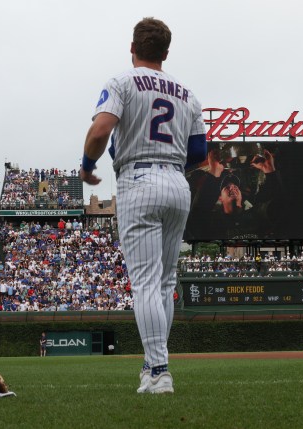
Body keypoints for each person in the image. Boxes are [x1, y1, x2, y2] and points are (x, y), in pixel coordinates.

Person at [80, 17, 206, 394]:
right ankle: (153, 366)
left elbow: (101, 130)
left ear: (132, 49)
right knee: (165, 284)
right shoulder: (188, 93)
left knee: (147, 284)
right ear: (166, 53)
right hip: (178, 182)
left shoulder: (121, 81)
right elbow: (199, 152)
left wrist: (87, 167)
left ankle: (158, 371)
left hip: (139, 178)